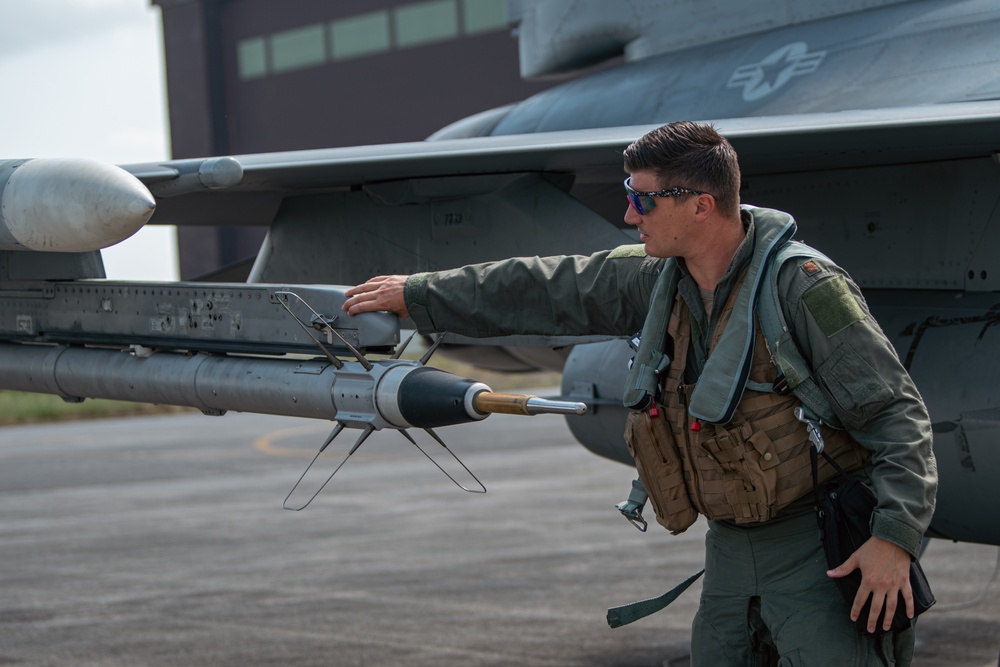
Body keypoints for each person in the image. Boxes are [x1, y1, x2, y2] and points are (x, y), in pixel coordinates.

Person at [342, 121, 937, 666]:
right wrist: (420, 293)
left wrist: (895, 539)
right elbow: (549, 287)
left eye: (642, 201)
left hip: (816, 553)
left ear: (701, 206)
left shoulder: (803, 288)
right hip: (729, 553)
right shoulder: (659, 279)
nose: (630, 216)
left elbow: (895, 413)